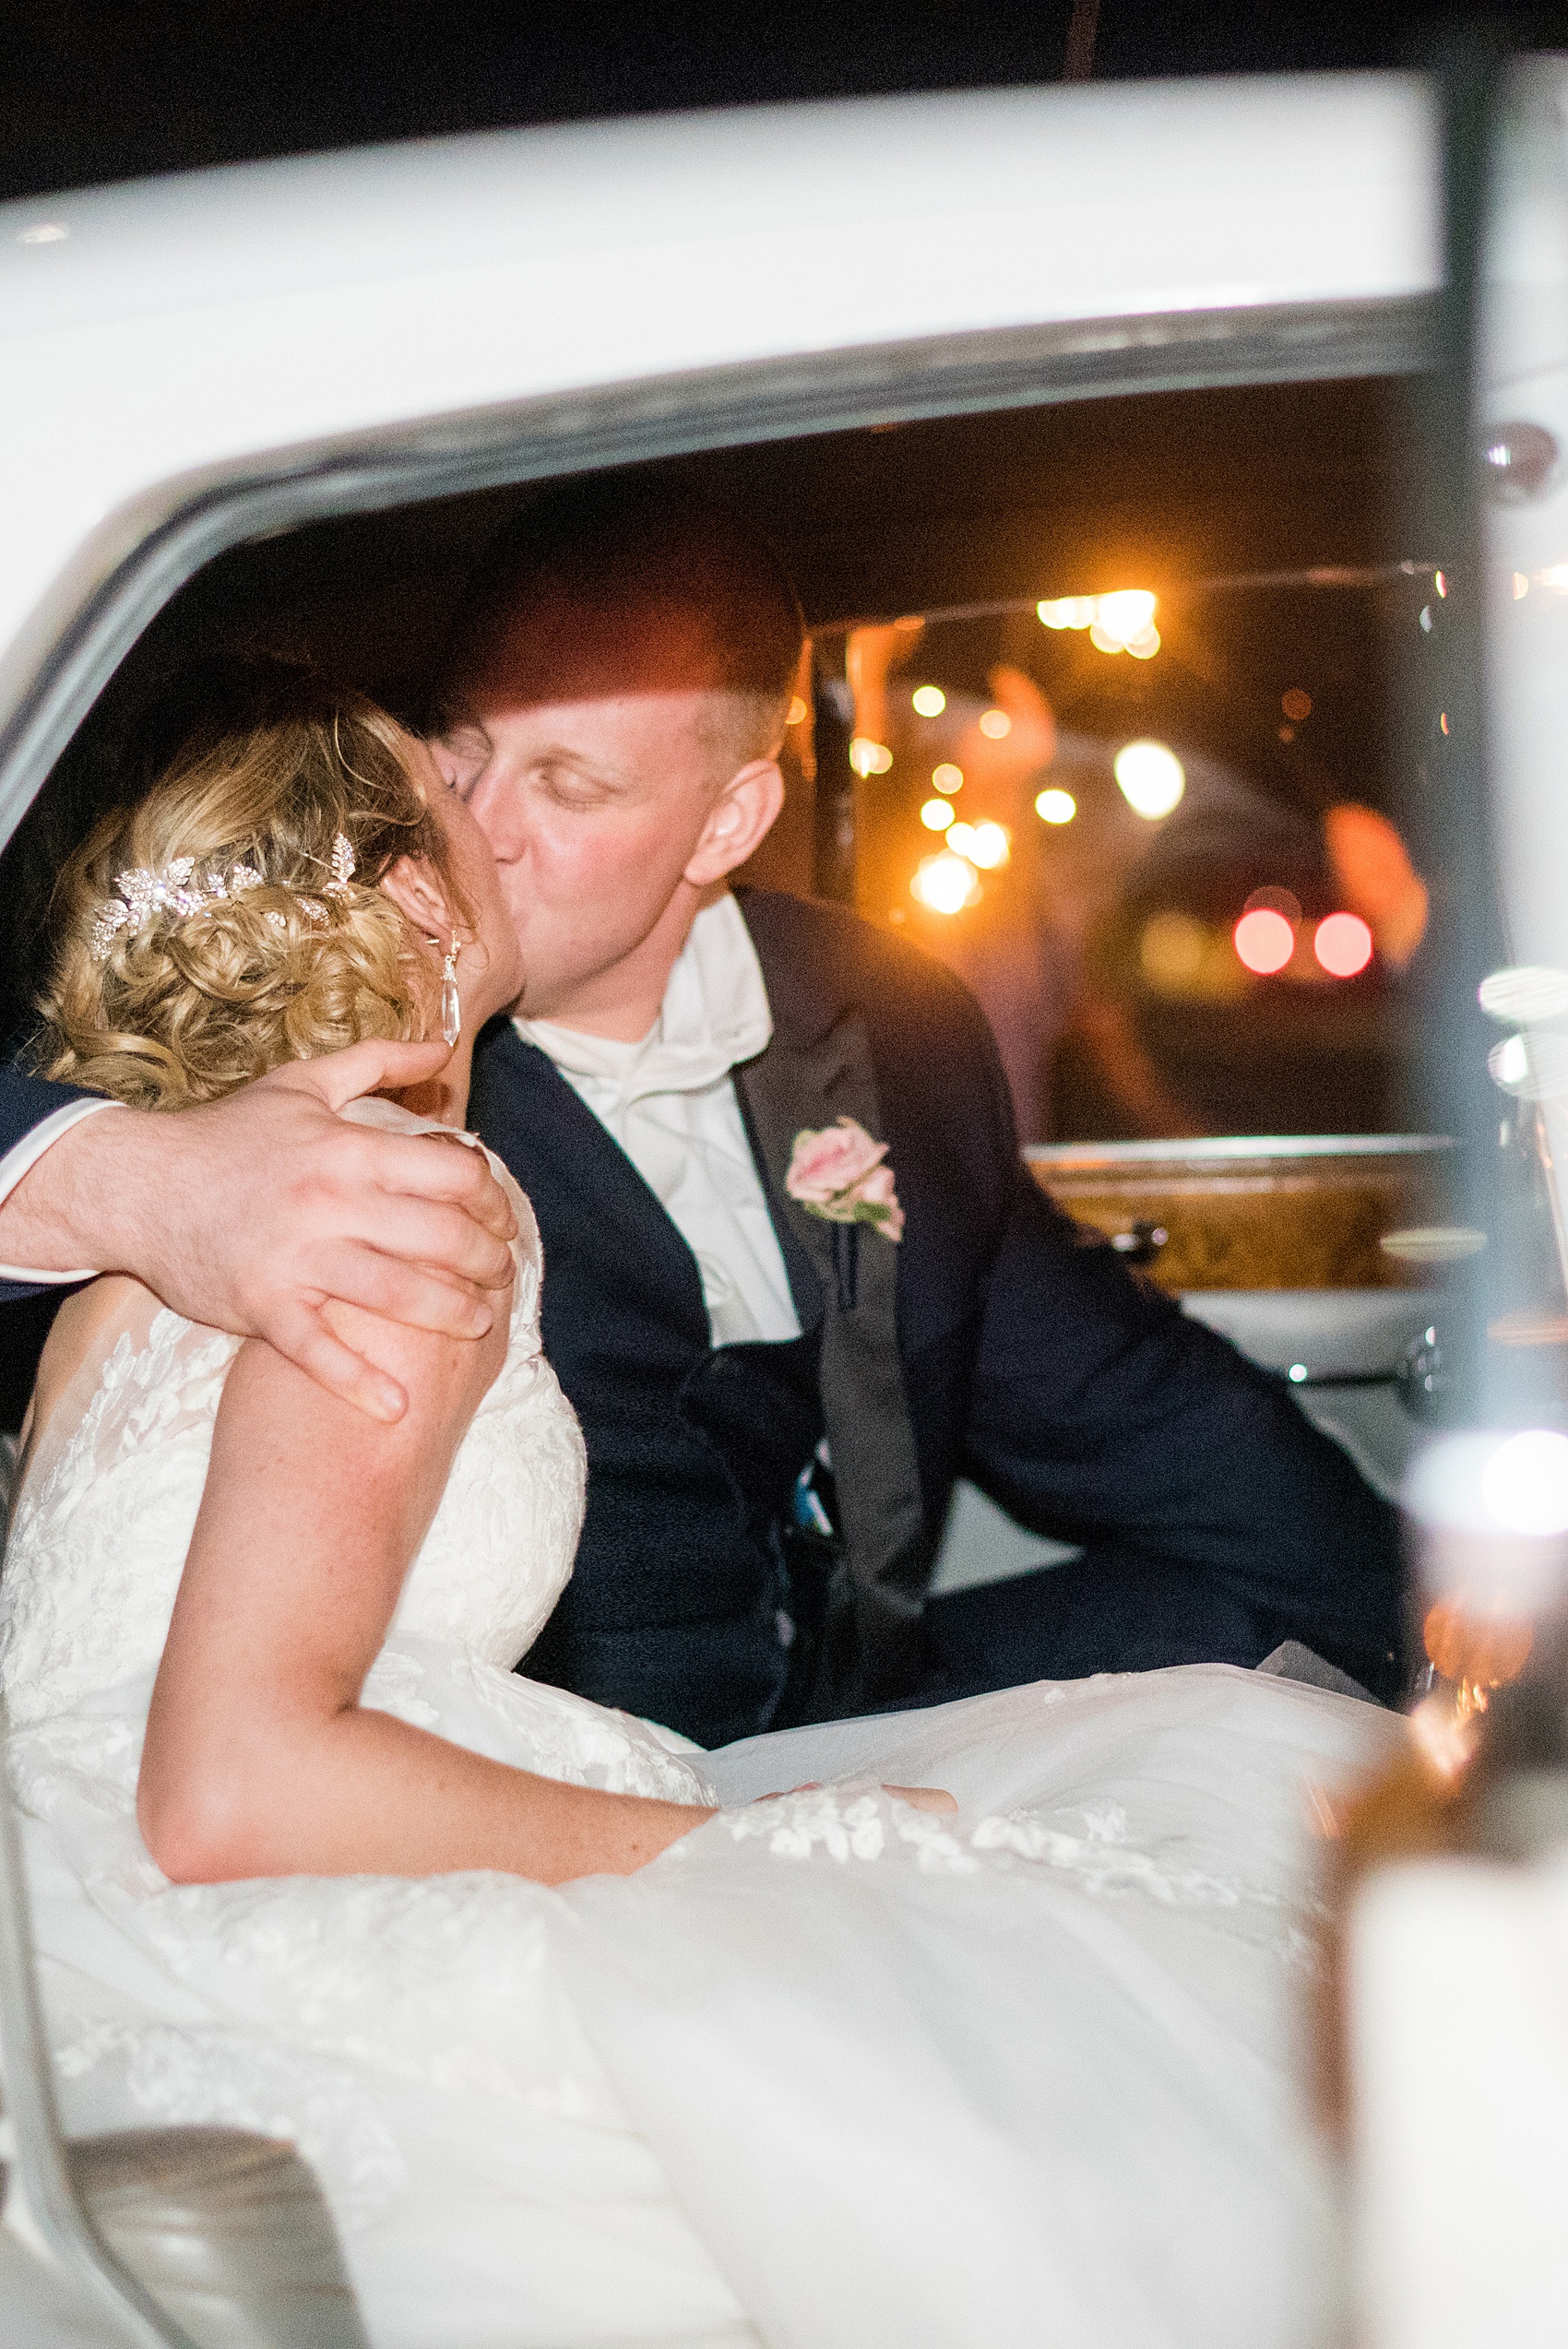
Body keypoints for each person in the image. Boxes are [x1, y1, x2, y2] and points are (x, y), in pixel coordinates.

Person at [5, 670, 1405, 2348]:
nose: (498, 822)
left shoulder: (122, 1270)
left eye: (554, 783)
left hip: (77, 1860)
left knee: (1198, 1736)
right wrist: (751, 1851)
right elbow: (233, 1785)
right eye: (459, 785)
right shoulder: (388, 1214)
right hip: (269, 1843)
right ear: (403, 897)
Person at [0, 482, 1403, 1747]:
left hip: (852, 1689)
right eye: (461, 747)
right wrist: (135, 1176)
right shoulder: (320, 1069)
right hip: (565, 1773)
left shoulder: (882, 1017)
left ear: (728, 823)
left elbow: (1120, 1395)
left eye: (567, 783)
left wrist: (1463, 1623)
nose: (469, 826)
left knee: (1256, 1645)